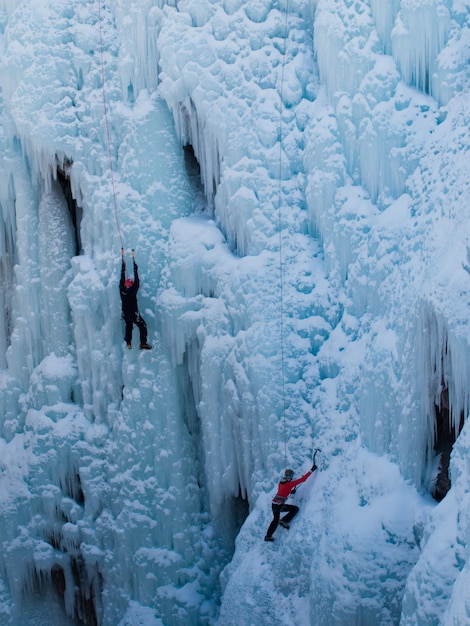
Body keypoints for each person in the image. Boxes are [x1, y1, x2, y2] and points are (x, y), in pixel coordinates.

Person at [264, 461, 317, 542]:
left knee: (275, 520)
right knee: (295, 509)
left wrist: (291, 491)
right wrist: (311, 470)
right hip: (279, 506)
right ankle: (284, 521)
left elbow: (282, 491)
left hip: (274, 504)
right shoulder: (290, 484)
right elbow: (303, 479)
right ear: (291, 476)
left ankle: (268, 536)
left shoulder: (281, 483)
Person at [119, 248, 151, 350]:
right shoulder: (133, 291)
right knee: (142, 326)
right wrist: (135, 269)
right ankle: (143, 343)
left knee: (129, 326)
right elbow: (137, 282)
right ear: (131, 285)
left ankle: (128, 342)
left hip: (125, 314)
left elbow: (121, 281)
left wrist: (123, 269)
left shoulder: (122, 291)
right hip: (133, 314)